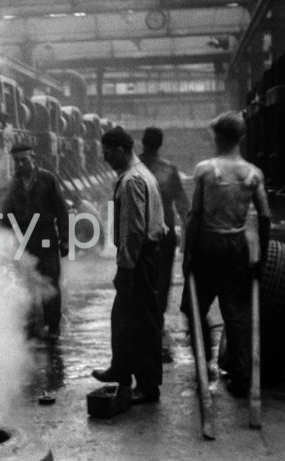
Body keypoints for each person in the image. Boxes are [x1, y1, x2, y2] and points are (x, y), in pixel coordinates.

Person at [181, 111, 271, 397]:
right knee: (237, 316)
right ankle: (242, 378)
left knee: (194, 309)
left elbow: (195, 215)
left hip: (208, 247)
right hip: (237, 248)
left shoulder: (206, 170)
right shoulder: (253, 174)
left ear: (219, 137)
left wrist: (187, 254)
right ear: (241, 138)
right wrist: (262, 258)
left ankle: (203, 367)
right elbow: (266, 217)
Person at [92, 127, 165, 404]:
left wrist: (126, 268)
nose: (105, 158)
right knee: (122, 316)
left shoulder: (133, 180)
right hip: (143, 256)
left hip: (138, 259)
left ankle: (148, 385)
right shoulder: (140, 173)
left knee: (141, 323)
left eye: (108, 152)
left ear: (121, 150)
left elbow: (134, 231)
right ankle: (121, 368)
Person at [1, 144, 69, 339]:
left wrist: (64, 239)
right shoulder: (12, 184)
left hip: (46, 235)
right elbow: (6, 215)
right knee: (27, 281)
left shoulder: (47, 179)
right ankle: (33, 326)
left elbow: (61, 210)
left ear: (33, 158)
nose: (21, 164)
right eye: (17, 161)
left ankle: (53, 326)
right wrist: (4, 239)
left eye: (24, 160)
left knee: (50, 280)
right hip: (23, 237)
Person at [139, 127, 190, 363]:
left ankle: (143, 321)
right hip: (164, 232)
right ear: (160, 144)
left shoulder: (133, 168)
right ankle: (156, 320)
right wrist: (187, 236)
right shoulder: (168, 169)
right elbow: (182, 205)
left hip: (139, 233)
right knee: (162, 279)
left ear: (142, 142)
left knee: (140, 277)